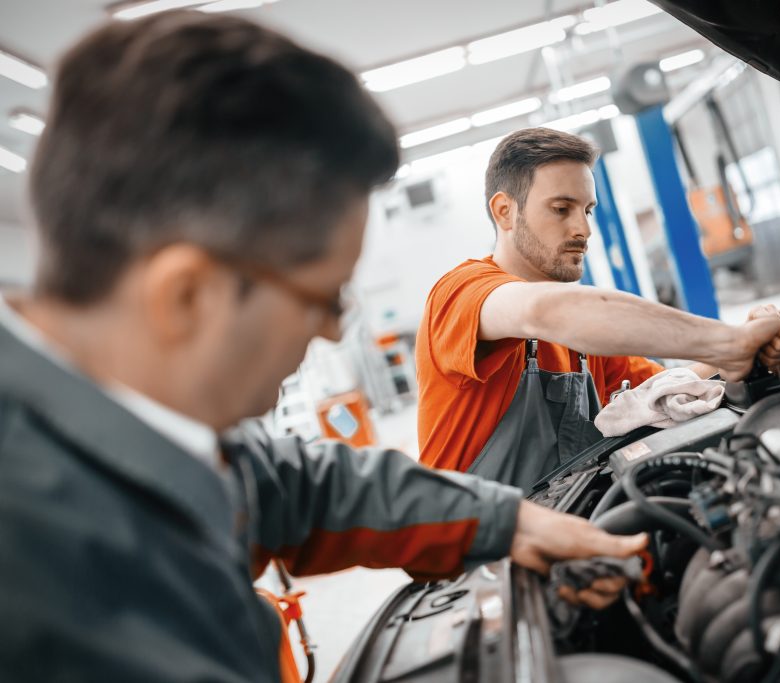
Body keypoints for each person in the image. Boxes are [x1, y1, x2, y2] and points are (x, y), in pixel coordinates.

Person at [0, 14, 648, 682]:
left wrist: (508, 520)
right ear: (187, 296)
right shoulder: (48, 598)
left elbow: (296, 484)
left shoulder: (143, 421)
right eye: (324, 296)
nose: (335, 332)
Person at [417, 128, 780, 489]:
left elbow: (656, 392)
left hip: (559, 526)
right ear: (504, 211)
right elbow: (541, 312)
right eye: (562, 209)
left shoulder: (583, 336)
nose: (584, 229)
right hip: (470, 550)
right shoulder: (462, 292)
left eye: (588, 210)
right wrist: (725, 342)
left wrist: (748, 343)